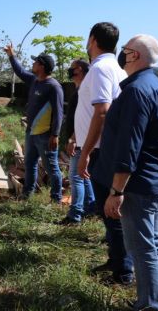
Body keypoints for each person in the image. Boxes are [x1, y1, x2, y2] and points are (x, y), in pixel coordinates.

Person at [94, 35, 158, 310]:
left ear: (135, 56)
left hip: (138, 185)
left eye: (125, 50)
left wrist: (116, 191)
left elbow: (129, 146)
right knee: (153, 245)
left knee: (142, 250)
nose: (121, 54)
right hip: (156, 180)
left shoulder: (135, 92)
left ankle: (151, 305)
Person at [75, 22, 133, 285]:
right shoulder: (117, 69)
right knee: (109, 212)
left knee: (110, 212)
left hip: (100, 151)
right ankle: (117, 261)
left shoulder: (99, 69)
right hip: (107, 149)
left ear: (93, 39)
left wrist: (85, 151)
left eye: (88, 39)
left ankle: (123, 272)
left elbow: (102, 111)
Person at [4, 44, 64, 202]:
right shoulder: (34, 80)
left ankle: (56, 199)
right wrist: (11, 56)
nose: (32, 64)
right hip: (31, 132)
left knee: (51, 169)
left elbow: (59, 112)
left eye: (35, 62)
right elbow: (20, 71)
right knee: (30, 164)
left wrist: (55, 134)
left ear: (42, 66)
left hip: (45, 136)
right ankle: (26, 195)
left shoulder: (53, 87)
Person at [58, 58, 94, 225]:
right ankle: (91, 208)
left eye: (72, 68)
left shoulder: (84, 91)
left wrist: (73, 138)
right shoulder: (81, 89)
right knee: (84, 176)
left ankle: (75, 215)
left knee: (75, 177)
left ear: (79, 70)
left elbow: (85, 119)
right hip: (81, 139)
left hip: (80, 140)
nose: (70, 71)